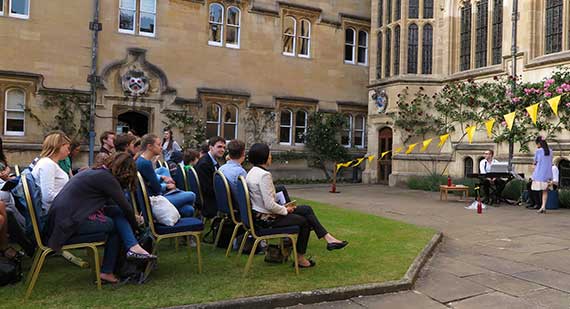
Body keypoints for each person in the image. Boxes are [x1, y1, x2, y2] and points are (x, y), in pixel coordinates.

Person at [46, 153, 156, 284]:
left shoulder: (97, 173)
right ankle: (111, 267)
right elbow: (126, 207)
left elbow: (114, 206)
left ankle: (131, 248)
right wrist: (136, 228)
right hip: (67, 224)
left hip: (63, 220)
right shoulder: (106, 178)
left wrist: (133, 219)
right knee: (115, 226)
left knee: (116, 214)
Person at [246, 143, 348, 268]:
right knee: (304, 222)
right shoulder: (264, 175)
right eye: (269, 154)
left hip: (259, 214)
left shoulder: (252, 172)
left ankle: (328, 238)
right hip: (266, 218)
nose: (271, 157)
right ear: (265, 157)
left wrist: (285, 208)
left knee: (306, 209)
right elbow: (269, 205)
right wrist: (285, 210)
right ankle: (300, 258)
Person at [136, 134, 196, 217]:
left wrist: (163, 180)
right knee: (191, 195)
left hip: (154, 198)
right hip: (154, 202)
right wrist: (167, 186)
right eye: (158, 145)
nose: (161, 147)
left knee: (188, 209)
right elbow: (157, 189)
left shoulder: (141, 160)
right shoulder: (145, 163)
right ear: (149, 146)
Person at [31, 131, 71, 214]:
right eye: (67, 148)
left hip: (59, 210)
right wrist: (71, 195)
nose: (69, 152)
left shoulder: (49, 163)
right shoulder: (47, 164)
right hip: (56, 213)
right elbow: (48, 197)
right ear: (59, 146)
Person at [195, 136, 226, 218]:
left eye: (224, 147)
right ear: (211, 147)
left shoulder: (211, 160)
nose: (222, 150)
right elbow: (207, 189)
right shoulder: (204, 164)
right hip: (208, 202)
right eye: (219, 147)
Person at [532, 136, 553, 214]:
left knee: (536, 189)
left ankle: (539, 205)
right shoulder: (550, 151)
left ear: (538, 143)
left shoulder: (538, 151)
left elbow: (535, 162)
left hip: (539, 174)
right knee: (545, 191)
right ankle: (543, 206)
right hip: (548, 173)